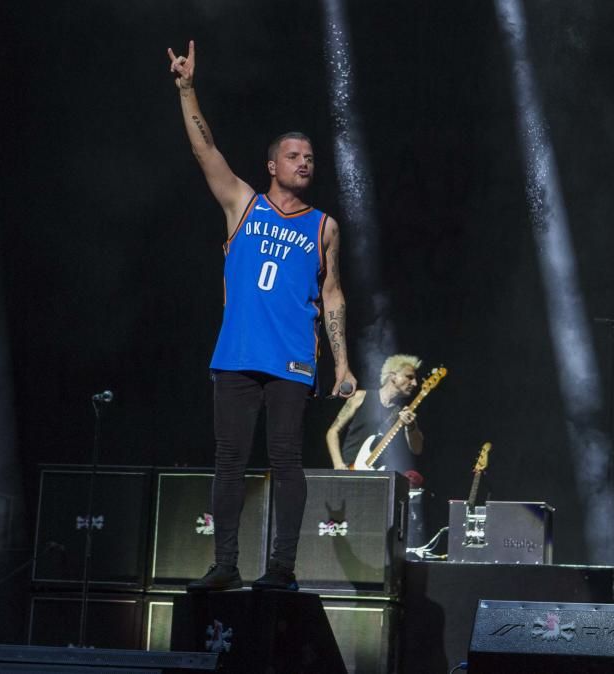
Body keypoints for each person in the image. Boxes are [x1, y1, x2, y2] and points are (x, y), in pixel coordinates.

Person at [168, 41, 357, 592]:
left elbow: (335, 294)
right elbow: (206, 151)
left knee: (287, 461)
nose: (305, 162)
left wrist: (343, 364)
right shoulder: (243, 204)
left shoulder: (324, 226)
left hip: (294, 358)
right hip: (237, 354)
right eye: (295, 156)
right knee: (229, 459)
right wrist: (186, 88)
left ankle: (282, 570)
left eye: (311, 158)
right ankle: (225, 565)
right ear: (272, 165)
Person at [326, 354, 423, 474]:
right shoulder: (360, 397)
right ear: (393, 376)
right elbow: (332, 432)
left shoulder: (403, 413)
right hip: (350, 470)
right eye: (409, 377)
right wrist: (338, 464)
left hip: (378, 476)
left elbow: (417, 449)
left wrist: (411, 426)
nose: (414, 383)